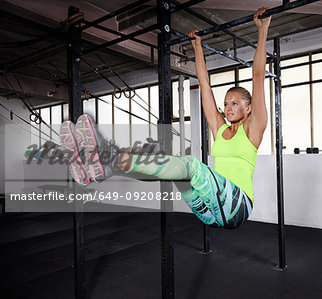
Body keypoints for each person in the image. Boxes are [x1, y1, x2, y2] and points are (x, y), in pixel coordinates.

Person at [59, 7, 271, 229]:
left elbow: (258, 75)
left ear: (249, 109)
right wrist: (197, 47)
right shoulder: (220, 129)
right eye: (226, 104)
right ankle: (105, 165)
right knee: (172, 171)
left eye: (235, 104)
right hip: (211, 212)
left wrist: (263, 29)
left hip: (238, 205)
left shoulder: (253, 128)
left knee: (191, 165)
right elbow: (205, 85)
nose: (228, 108)